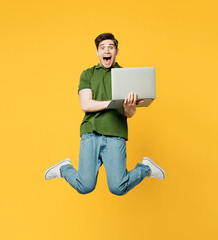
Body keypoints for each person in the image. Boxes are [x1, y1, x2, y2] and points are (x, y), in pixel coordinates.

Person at [44, 33, 165, 196]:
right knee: (85, 186)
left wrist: (129, 106)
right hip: (91, 133)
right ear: (97, 53)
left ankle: (146, 168)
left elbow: (129, 114)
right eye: (102, 48)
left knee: (118, 188)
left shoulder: (126, 76)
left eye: (110, 47)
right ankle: (64, 168)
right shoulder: (88, 74)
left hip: (116, 134)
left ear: (116, 51)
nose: (106, 50)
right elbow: (85, 104)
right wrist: (111, 103)